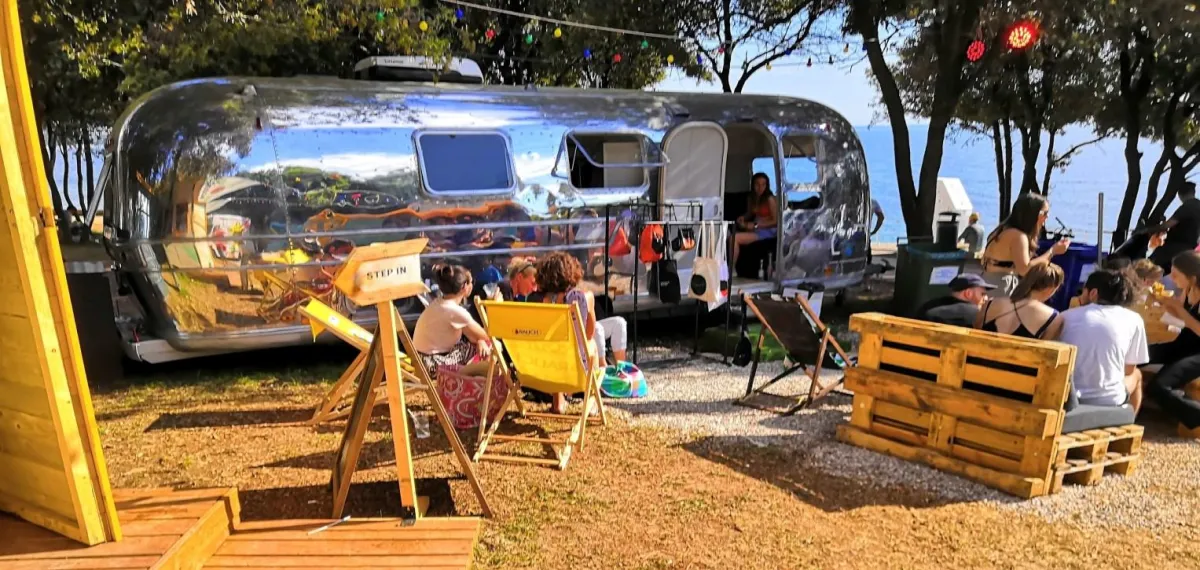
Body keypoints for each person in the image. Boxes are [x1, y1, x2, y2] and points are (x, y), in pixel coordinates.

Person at [527, 252, 609, 414]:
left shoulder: (533, 299)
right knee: (590, 345)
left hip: (541, 366)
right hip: (574, 365)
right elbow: (589, 333)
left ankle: (558, 399)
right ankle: (591, 397)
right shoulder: (585, 297)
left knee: (553, 348)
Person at [1058, 269, 1148, 412]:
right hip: (1108, 400)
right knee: (1136, 375)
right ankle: (1127, 422)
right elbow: (1128, 369)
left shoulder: (1066, 316)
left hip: (1065, 395)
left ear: (1093, 293)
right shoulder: (1134, 319)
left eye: (1083, 292)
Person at [1144, 251, 1200, 436]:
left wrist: (1177, 308)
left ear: (1192, 278)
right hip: (1182, 344)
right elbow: (1181, 318)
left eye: (1176, 275)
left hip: (1197, 353)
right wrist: (1164, 304)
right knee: (1137, 354)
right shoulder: (1188, 290)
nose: (1171, 278)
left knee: (1159, 387)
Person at [980, 193, 1071, 298]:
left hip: (988, 280)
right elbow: (1024, 269)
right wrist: (1053, 251)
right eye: (1044, 213)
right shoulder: (1018, 236)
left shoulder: (1003, 229)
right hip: (1000, 286)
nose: (1047, 217)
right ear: (1032, 214)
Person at [413, 264, 493, 373]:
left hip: (420, 361)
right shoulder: (455, 311)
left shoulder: (439, 303)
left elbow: (473, 335)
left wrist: (479, 340)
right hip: (432, 364)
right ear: (464, 287)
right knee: (491, 347)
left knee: (474, 345)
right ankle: (482, 384)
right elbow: (488, 335)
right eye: (471, 282)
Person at [976, 263, 1065, 340]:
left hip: (978, 358)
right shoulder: (1053, 318)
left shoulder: (990, 303)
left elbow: (976, 331)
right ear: (1050, 289)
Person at [1142, 182, 1200, 274]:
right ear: (1193, 192)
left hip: (1175, 247)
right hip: (1191, 246)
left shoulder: (1187, 207)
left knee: (1149, 266)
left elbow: (1167, 225)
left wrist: (1147, 230)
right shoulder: (1197, 205)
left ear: (1179, 194)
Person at [915, 274, 995, 327]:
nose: (986, 298)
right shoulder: (977, 314)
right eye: (983, 294)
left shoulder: (928, 306)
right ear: (968, 293)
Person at [733, 173, 778, 264]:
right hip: (756, 227)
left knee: (734, 238)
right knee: (731, 234)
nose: (760, 188)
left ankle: (732, 269)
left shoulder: (770, 199)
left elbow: (776, 221)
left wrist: (756, 225)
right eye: (757, 184)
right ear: (753, 185)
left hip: (768, 230)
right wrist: (743, 218)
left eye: (763, 185)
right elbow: (750, 213)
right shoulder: (751, 198)